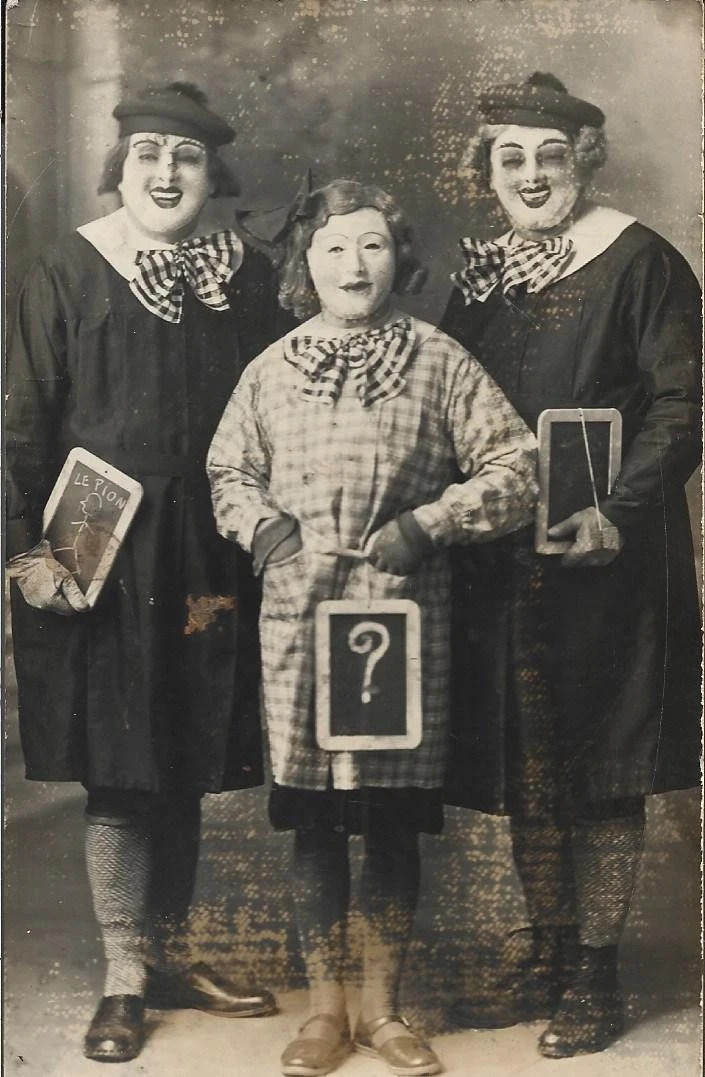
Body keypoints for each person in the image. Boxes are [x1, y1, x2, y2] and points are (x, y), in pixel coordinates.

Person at [207, 177, 537, 1077]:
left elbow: (516, 465)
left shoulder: (438, 359)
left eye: (372, 245)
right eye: (333, 248)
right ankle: (324, 1011)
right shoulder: (269, 369)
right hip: (300, 624)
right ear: (303, 266)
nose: (354, 265)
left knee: (389, 821)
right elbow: (229, 471)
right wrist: (266, 530)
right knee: (317, 825)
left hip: (401, 622)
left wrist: (428, 524)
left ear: (398, 256)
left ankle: (384, 1010)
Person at [6, 82, 291, 1062]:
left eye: (187, 158)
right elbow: (21, 424)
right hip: (99, 551)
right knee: (122, 777)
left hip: (209, 554)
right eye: (148, 157)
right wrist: (28, 552)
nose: (166, 174)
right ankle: (125, 974)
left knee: (182, 758)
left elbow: (273, 415)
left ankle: (165, 953)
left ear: (214, 176)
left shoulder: (246, 276)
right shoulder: (70, 268)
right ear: (120, 170)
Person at [440, 72, 701, 1057]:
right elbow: (440, 394)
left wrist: (619, 509)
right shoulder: (481, 278)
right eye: (512, 157)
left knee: (599, 764)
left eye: (552, 153)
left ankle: (596, 971)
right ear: (488, 173)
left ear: (583, 158)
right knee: (529, 761)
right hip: (506, 559)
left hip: (608, 555)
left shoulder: (640, 261)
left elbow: (684, 405)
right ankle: (547, 950)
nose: (533, 173)